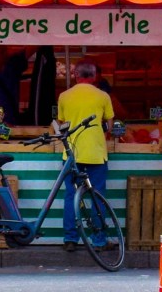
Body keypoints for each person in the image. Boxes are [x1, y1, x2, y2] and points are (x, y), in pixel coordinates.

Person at [57, 60, 114, 252]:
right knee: (97, 197)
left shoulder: (64, 96)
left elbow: (61, 124)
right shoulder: (103, 96)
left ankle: (70, 239)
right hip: (96, 155)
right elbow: (110, 125)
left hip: (71, 155)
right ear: (95, 76)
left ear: (76, 76)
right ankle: (98, 240)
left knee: (71, 195)